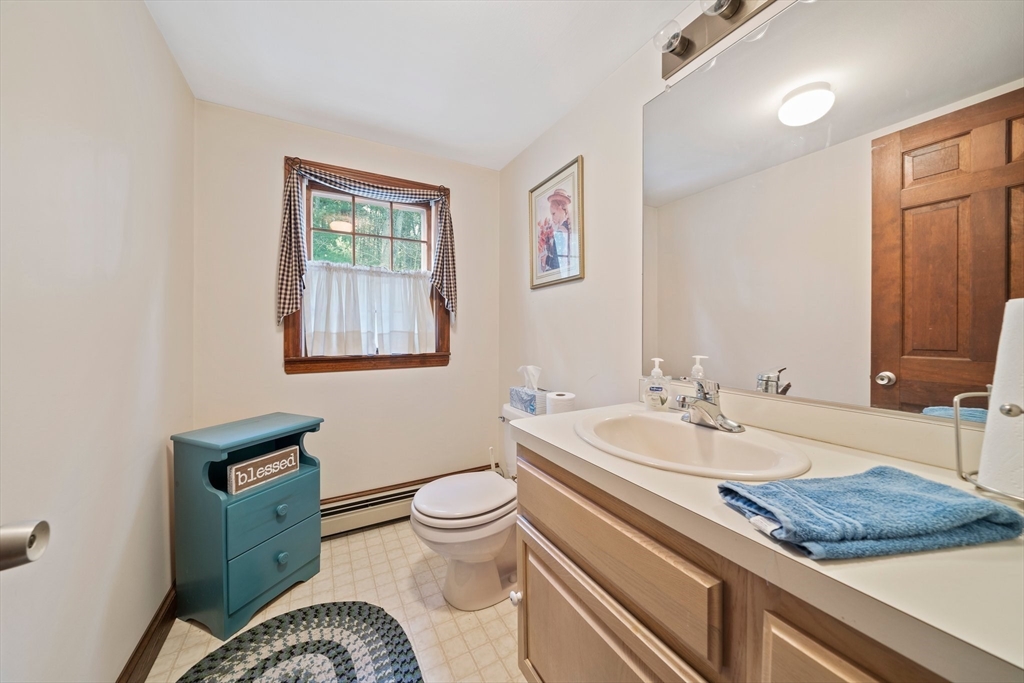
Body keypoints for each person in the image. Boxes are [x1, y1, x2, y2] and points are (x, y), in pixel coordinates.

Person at [537, 188, 571, 273]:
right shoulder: (567, 226)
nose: (552, 218)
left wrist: (546, 259)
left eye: (553, 214)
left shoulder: (561, 231)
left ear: (560, 208)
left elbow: (558, 264)